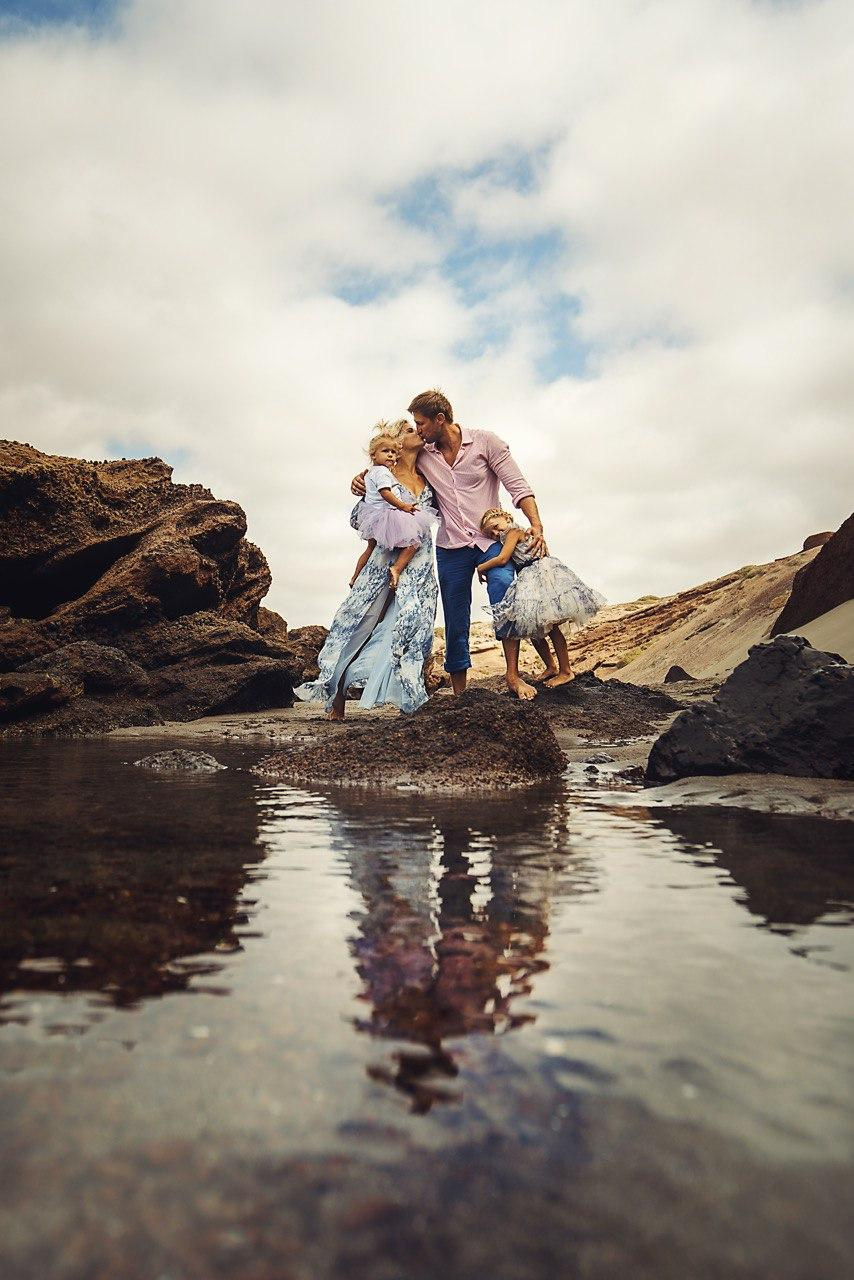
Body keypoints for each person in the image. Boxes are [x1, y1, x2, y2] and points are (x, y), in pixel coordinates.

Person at [354, 389, 546, 700]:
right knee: (456, 618)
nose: (418, 430)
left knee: (503, 587)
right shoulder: (424, 454)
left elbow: (518, 486)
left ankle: (513, 675)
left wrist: (536, 525)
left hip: (489, 541)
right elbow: (388, 468)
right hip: (450, 547)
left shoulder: (486, 442)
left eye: (421, 424)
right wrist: (361, 478)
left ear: (440, 419)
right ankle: (460, 695)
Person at [297, 420, 437, 719]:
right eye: (409, 430)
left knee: (413, 624)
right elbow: (358, 519)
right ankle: (336, 693)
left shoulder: (430, 476)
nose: (417, 432)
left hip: (420, 562)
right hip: (383, 559)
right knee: (361, 620)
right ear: (396, 442)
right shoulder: (380, 476)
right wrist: (362, 486)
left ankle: (409, 694)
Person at [476, 507, 605, 687]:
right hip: (533, 575)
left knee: (551, 626)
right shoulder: (521, 534)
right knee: (534, 627)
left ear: (506, 518)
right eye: (491, 533)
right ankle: (551, 667)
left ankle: (566, 671)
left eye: (496, 527)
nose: (496, 533)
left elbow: (503, 558)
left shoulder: (513, 532)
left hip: (535, 575)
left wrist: (480, 568)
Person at [350, 433, 437, 590]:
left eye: (392, 451)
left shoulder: (426, 474)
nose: (418, 431)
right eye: (409, 430)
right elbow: (383, 493)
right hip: (389, 517)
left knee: (370, 548)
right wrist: (403, 506)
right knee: (413, 540)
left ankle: (354, 577)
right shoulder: (384, 473)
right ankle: (395, 569)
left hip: (380, 517)